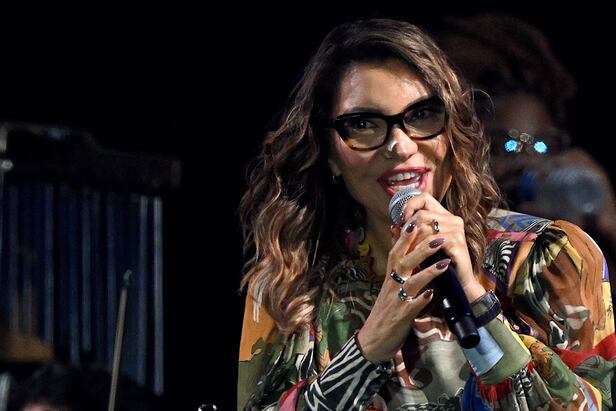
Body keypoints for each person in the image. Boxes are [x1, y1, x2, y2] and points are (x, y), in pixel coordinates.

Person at [237, 18, 616, 410]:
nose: (401, 146)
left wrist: (476, 302)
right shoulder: (287, 286)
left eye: (421, 115)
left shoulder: (550, 256)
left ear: (454, 131)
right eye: (363, 124)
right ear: (329, 152)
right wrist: (369, 346)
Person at [434, 12, 616, 306]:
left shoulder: (578, 243)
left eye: (543, 145)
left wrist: (609, 228)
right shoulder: (448, 255)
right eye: (503, 146)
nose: (525, 164)